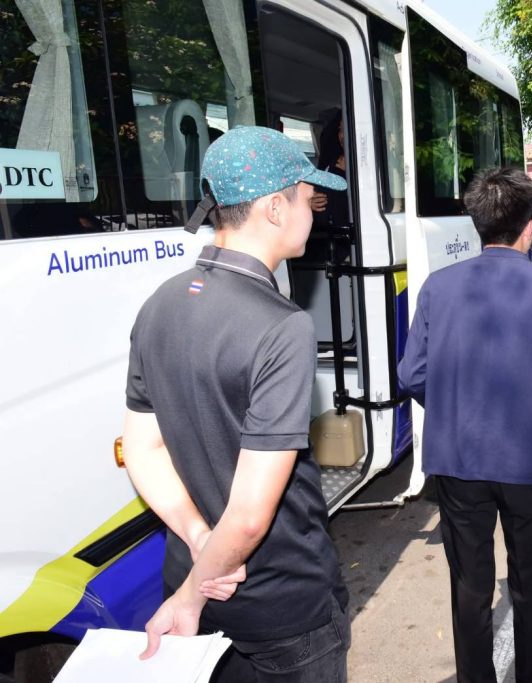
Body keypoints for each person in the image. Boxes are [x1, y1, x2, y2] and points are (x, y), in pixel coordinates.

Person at [121, 126, 351, 681]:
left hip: (196, 572)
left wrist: (198, 541)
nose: (312, 213)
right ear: (275, 208)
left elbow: (142, 447)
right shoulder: (283, 326)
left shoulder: (159, 304)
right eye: (306, 198)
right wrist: (193, 595)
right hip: (281, 601)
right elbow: (248, 517)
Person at [398, 167, 532, 682]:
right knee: (531, 582)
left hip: (457, 460)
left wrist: (453, 401)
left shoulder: (438, 286)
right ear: (530, 226)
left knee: (469, 584)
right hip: (528, 461)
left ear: (475, 223)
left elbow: (411, 374)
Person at [311, 109, 350, 229]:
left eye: (345, 129)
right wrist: (310, 202)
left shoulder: (367, 167)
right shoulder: (332, 161)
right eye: (340, 130)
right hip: (326, 232)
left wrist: (349, 174)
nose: (341, 135)